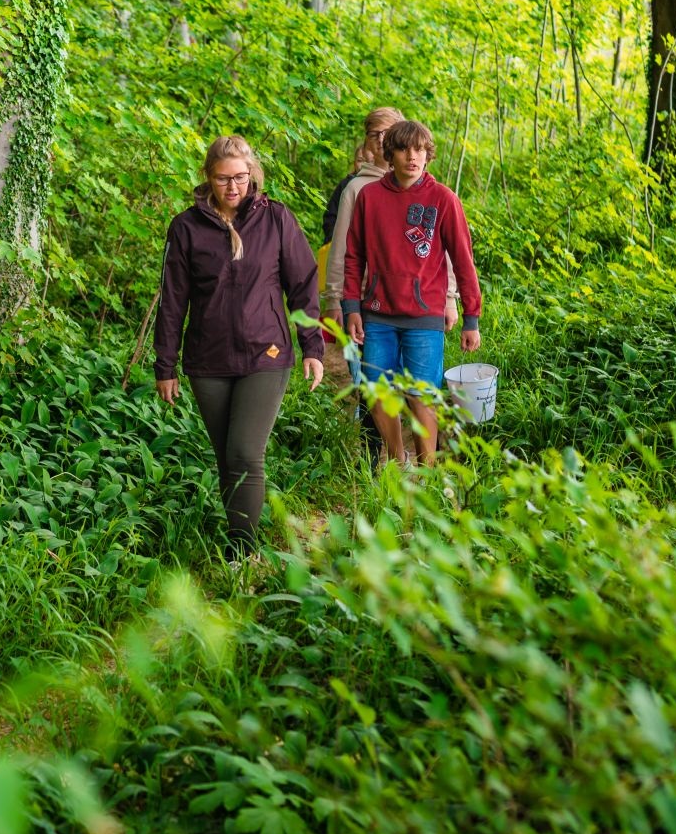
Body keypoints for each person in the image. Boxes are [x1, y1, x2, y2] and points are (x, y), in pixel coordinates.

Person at [155, 135, 325, 556]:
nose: (233, 187)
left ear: (253, 175)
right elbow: (173, 300)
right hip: (207, 359)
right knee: (227, 459)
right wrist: (166, 365)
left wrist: (313, 347)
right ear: (208, 178)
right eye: (223, 178)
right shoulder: (186, 228)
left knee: (246, 452)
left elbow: (303, 285)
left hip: (264, 354)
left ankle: (242, 551)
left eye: (241, 177)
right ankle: (241, 543)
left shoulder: (276, 220)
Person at [341, 119, 482, 467]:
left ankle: (427, 469)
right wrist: (350, 307)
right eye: (404, 149)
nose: (412, 157)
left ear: (428, 155)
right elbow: (353, 255)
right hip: (377, 312)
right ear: (390, 153)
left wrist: (471, 318)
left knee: (422, 395)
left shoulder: (443, 199)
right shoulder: (369, 197)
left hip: (424, 315)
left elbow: (463, 261)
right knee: (376, 391)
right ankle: (395, 455)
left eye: (419, 150)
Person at [322, 107, 460, 387]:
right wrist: (336, 299)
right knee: (373, 383)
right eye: (376, 134)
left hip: (417, 304)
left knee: (414, 384)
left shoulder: (432, 192)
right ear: (371, 143)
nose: (383, 138)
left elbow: (442, 251)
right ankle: (375, 431)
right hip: (365, 301)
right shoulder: (357, 189)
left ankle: (418, 427)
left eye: (389, 132)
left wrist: (449, 297)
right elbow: (343, 250)